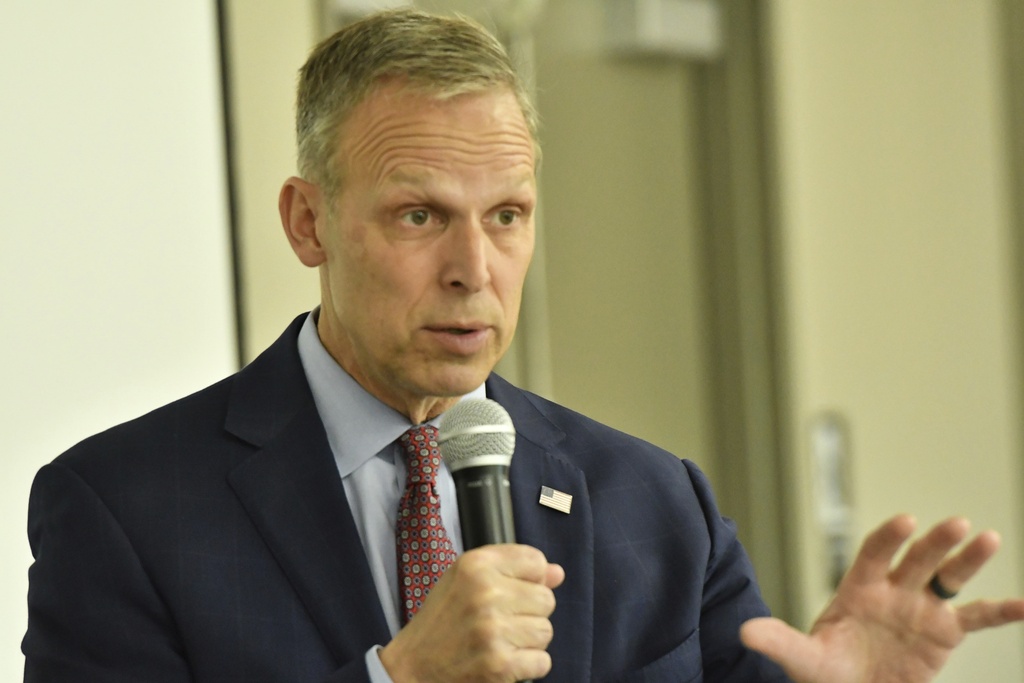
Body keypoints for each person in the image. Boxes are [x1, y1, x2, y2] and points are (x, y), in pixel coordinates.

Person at [23, 8, 1024, 683]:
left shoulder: (650, 501)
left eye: (506, 215)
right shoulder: (124, 508)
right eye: (419, 215)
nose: (474, 268)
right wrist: (394, 677)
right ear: (307, 223)